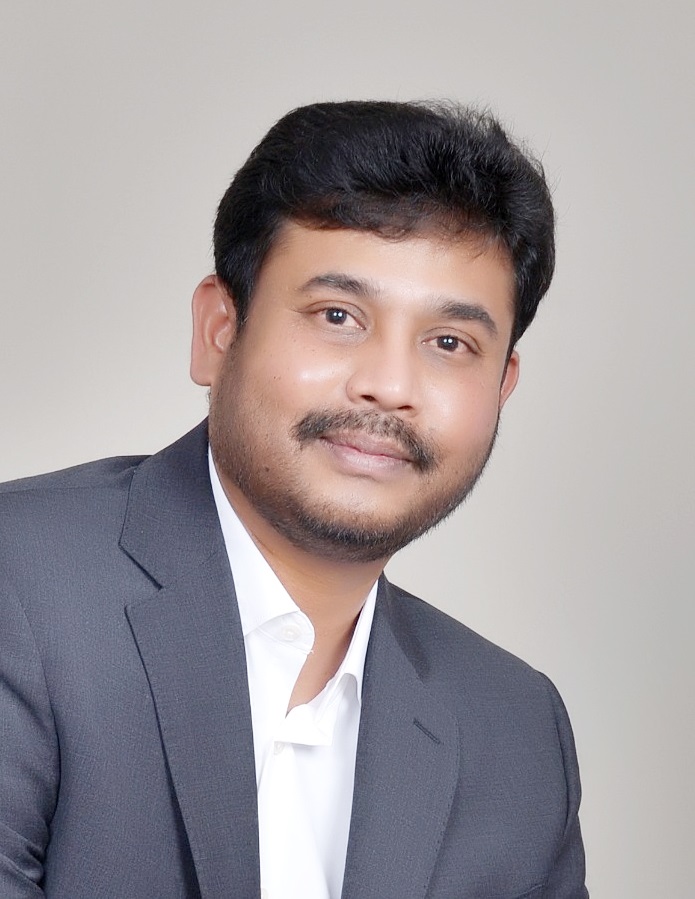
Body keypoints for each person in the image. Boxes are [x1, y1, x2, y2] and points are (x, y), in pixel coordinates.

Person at [0, 100, 588, 898]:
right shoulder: (21, 588)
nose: (389, 385)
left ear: (501, 387)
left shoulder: (514, 731)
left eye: (449, 343)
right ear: (218, 330)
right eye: (338, 315)